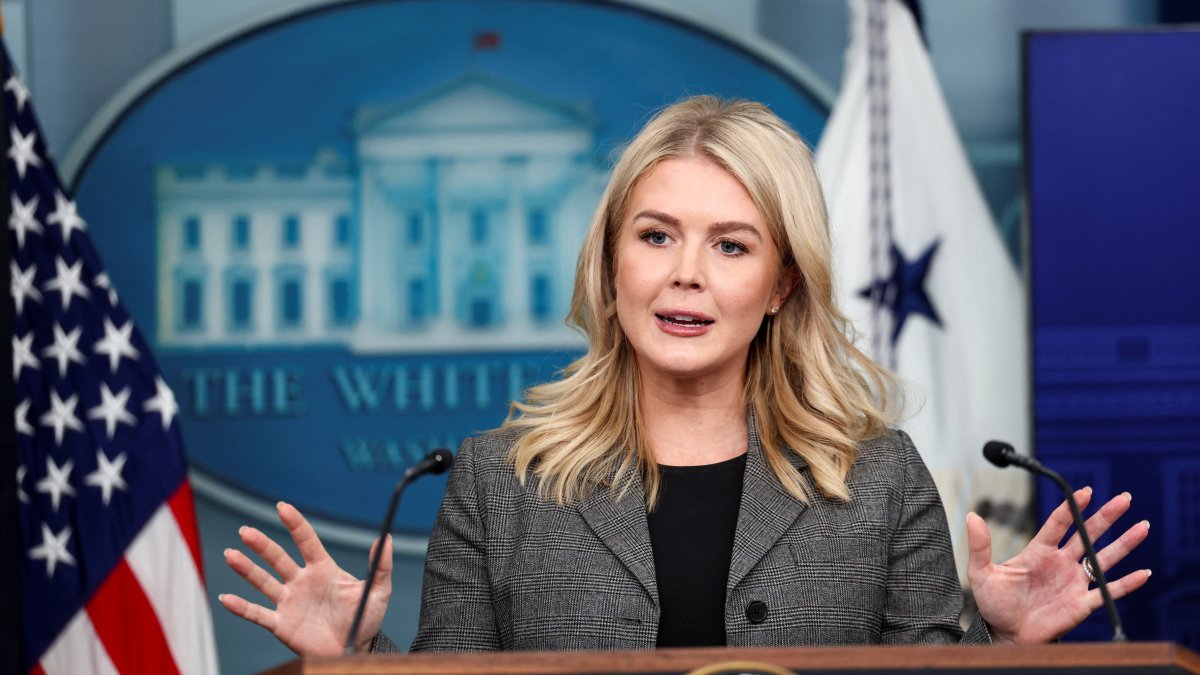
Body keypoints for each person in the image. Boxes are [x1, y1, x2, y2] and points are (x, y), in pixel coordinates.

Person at [219, 96, 1150, 654]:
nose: (685, 274)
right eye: (656, 235)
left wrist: (998, 645)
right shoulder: (499, 480)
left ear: (782, 282)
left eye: (731, 244)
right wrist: (358, 656)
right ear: (612, 260)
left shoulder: (878, 475)